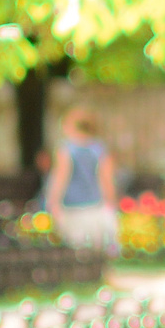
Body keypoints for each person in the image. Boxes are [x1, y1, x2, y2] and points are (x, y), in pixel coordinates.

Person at [43, 106, 121, 257]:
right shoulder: (99, 149)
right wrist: (111, 203)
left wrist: (52, 202)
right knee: (96, 250)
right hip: (95, 206)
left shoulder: (66, 149)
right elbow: (106, 179)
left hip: (73, 208)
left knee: (77, 251)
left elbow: (60, 178)